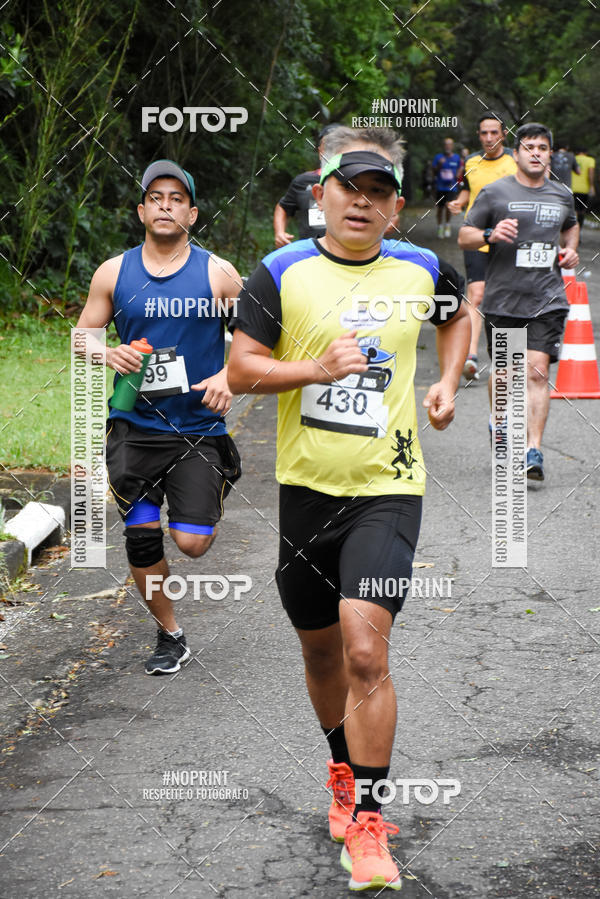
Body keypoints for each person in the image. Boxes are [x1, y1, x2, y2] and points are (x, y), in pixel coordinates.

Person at [228, 126, 469, 891]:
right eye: (349, 189)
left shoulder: (423, 265)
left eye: (378, 193)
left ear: (395, 207)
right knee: (322, 650)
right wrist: (315, 367)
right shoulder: (280, 271)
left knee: (367, 649)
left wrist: (448, 381)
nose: (362, 203)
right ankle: (340, 769)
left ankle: (369, 822)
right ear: (320, 195)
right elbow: (240, 372)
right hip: (305, 491)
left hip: (388, 486)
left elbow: (456, 316)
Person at [76, 159, 241, 674]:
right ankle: (170, 634)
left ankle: (201, 490)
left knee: (192, 543)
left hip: (197, 430)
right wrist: (108, 353)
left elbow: (257, 341)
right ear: (142, 210)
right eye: (156, 197)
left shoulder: (218, 273)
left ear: (191, 213)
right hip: (134, 430)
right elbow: (83, 336)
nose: (165, 205)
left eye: (176, 198)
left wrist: (230, 377)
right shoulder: (113, 271)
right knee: (142, 535)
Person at [458, 122, 579, 481]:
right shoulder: (495, 193)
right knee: (506, 377)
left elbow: (571, 225)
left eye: (542, 148)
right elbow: (465, 235)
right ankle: (500, 428)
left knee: (538, 372)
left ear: (550, 154)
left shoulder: (561, 194)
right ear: (516, 153)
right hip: (503, 300)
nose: (536, 153)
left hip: (547, 298)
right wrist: (489, 233)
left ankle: (533, 450)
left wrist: (570, 250)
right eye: (529, 147)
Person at [448, 113, 517, 381]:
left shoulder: (515, 160)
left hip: (509, 237)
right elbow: (468, 189)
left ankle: (507, 358)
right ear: (479, 135)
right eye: (484, 133)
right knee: (476, 293)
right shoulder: (471, 162)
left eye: (494, 132)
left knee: (504, 295)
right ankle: (471, 357)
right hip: (477, 235)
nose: (489, 138)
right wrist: (459, 202)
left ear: (504, 134)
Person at [273, 124, 342, 247]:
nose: (333, 151)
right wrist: (280, 232)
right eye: (328, 146)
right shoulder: (303, 181)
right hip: (309, 254)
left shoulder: (359, 182)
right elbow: (283, 206)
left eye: (339, 145)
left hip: (348, 255)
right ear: (320, 151)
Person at [432, 137, 463, 238]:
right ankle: (440, 226)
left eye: (449, 144)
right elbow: (434, 171)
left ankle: (447, 225)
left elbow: (460, 168)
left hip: (452, 187)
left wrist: (458, 173)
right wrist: (440, 165)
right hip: (440, 187)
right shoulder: (438, 157)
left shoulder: (456, 158)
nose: (448, 146)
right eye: (446, 144)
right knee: (440, 208)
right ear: (443, 146)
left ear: (452, 146)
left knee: (449, 207)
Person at [572, 146, 596, 230]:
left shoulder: (573, 159)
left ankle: (572, 229)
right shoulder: (590, 160)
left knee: (573, 210)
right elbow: (590, 173)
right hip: (584, 189)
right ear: (586, 152)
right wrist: (591, 186)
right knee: (581, 211)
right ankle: (578, 230)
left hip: (571, 188)